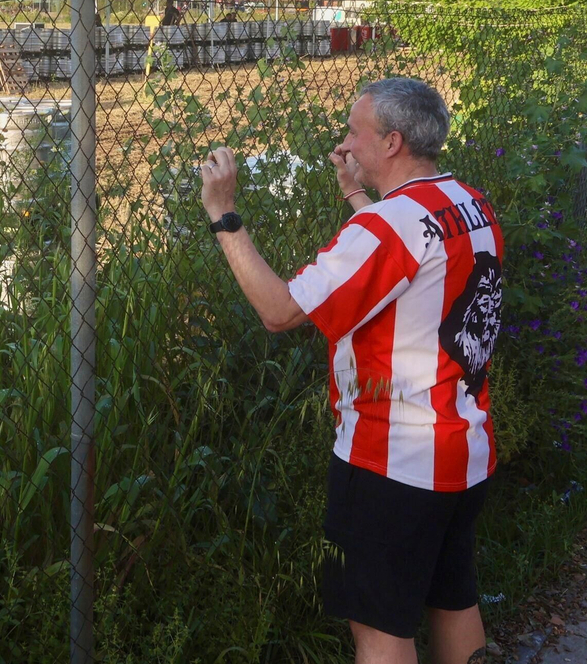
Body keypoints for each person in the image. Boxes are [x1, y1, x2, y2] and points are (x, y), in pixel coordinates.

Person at [199, 77, 499, 664]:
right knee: (453, 599)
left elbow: (280, 310)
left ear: (391, 142)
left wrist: (224, 214)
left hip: (393, 462)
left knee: (380, 628)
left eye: (354, 132)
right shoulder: (468, 202)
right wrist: (357, 195)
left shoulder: (384, 229)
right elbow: (409, 260)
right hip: (463, 449)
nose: (344, 143)